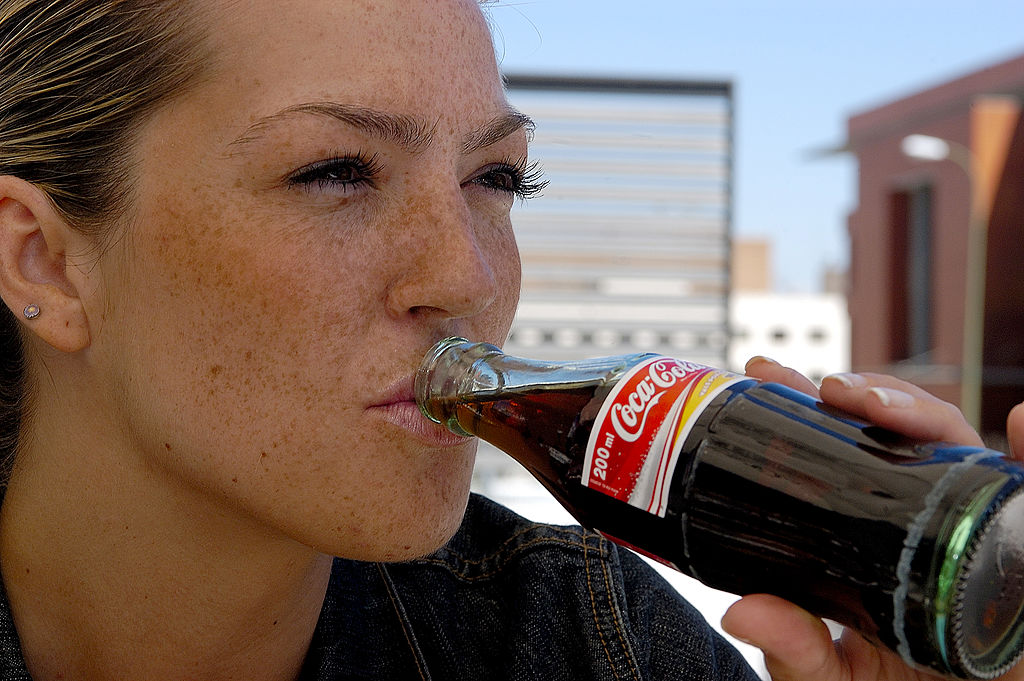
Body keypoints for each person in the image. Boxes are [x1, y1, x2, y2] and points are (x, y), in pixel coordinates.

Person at [0, 1, 1019, 680]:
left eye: (495, 179)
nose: (467, 277)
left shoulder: (584, 639)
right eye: (336, 171)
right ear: (42, 260)